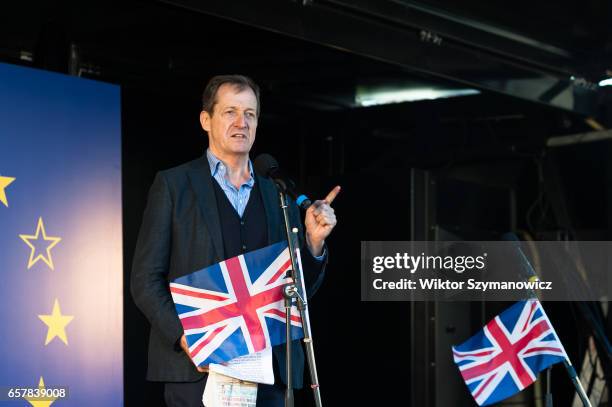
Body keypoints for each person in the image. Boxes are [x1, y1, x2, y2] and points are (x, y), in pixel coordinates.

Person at [131, 74, 339, 407]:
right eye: (230, 112)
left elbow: (298, 292)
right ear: (205, 120)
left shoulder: (278, 192)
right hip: (198, 371)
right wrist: (187, 338)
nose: (241, 122)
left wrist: (313, 244)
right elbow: (144, 281)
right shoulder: (173, 185)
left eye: (250, 114)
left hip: (270, 374)